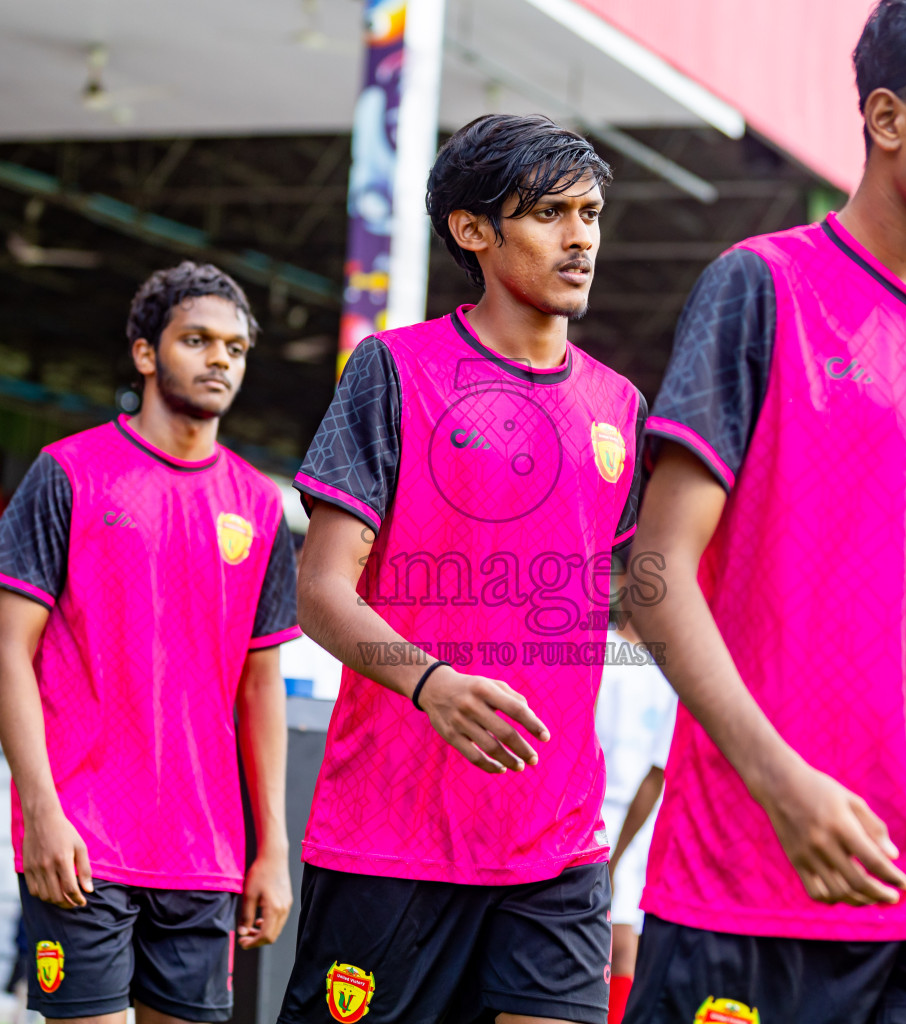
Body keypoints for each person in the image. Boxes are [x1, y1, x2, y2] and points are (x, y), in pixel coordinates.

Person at [624, 1, 906, 1020]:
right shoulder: (761, 288)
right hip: (757, 865)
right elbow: (656, 578)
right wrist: (786, 785)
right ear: (886, 118)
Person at [278, 114, 644, 1024]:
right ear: (473, 232)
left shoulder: (620, 407)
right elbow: (321, 590)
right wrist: (431, 682)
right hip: (391, 840)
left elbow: (639, 603)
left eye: (591, 213)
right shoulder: (395, 372)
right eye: (552, 214)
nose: (582, 237)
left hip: (558, 846)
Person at [0, 262, 299, 1024]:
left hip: (204, 850)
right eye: (197, 340)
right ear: (147, 353)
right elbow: (6, 653)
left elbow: (261, 688)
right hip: (83, 835)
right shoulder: (69, 473)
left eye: (236, 346)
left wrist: (272, 849)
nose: (220, 358)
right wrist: (40, 809)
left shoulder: (259, 505)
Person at [594, 619, 676, 1024]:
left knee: (624, 940)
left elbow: (657, 773)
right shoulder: (601, 650)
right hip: (598, 813)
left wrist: (618, 857)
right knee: (614, 940)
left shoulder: (672, 664)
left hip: (639, 822)